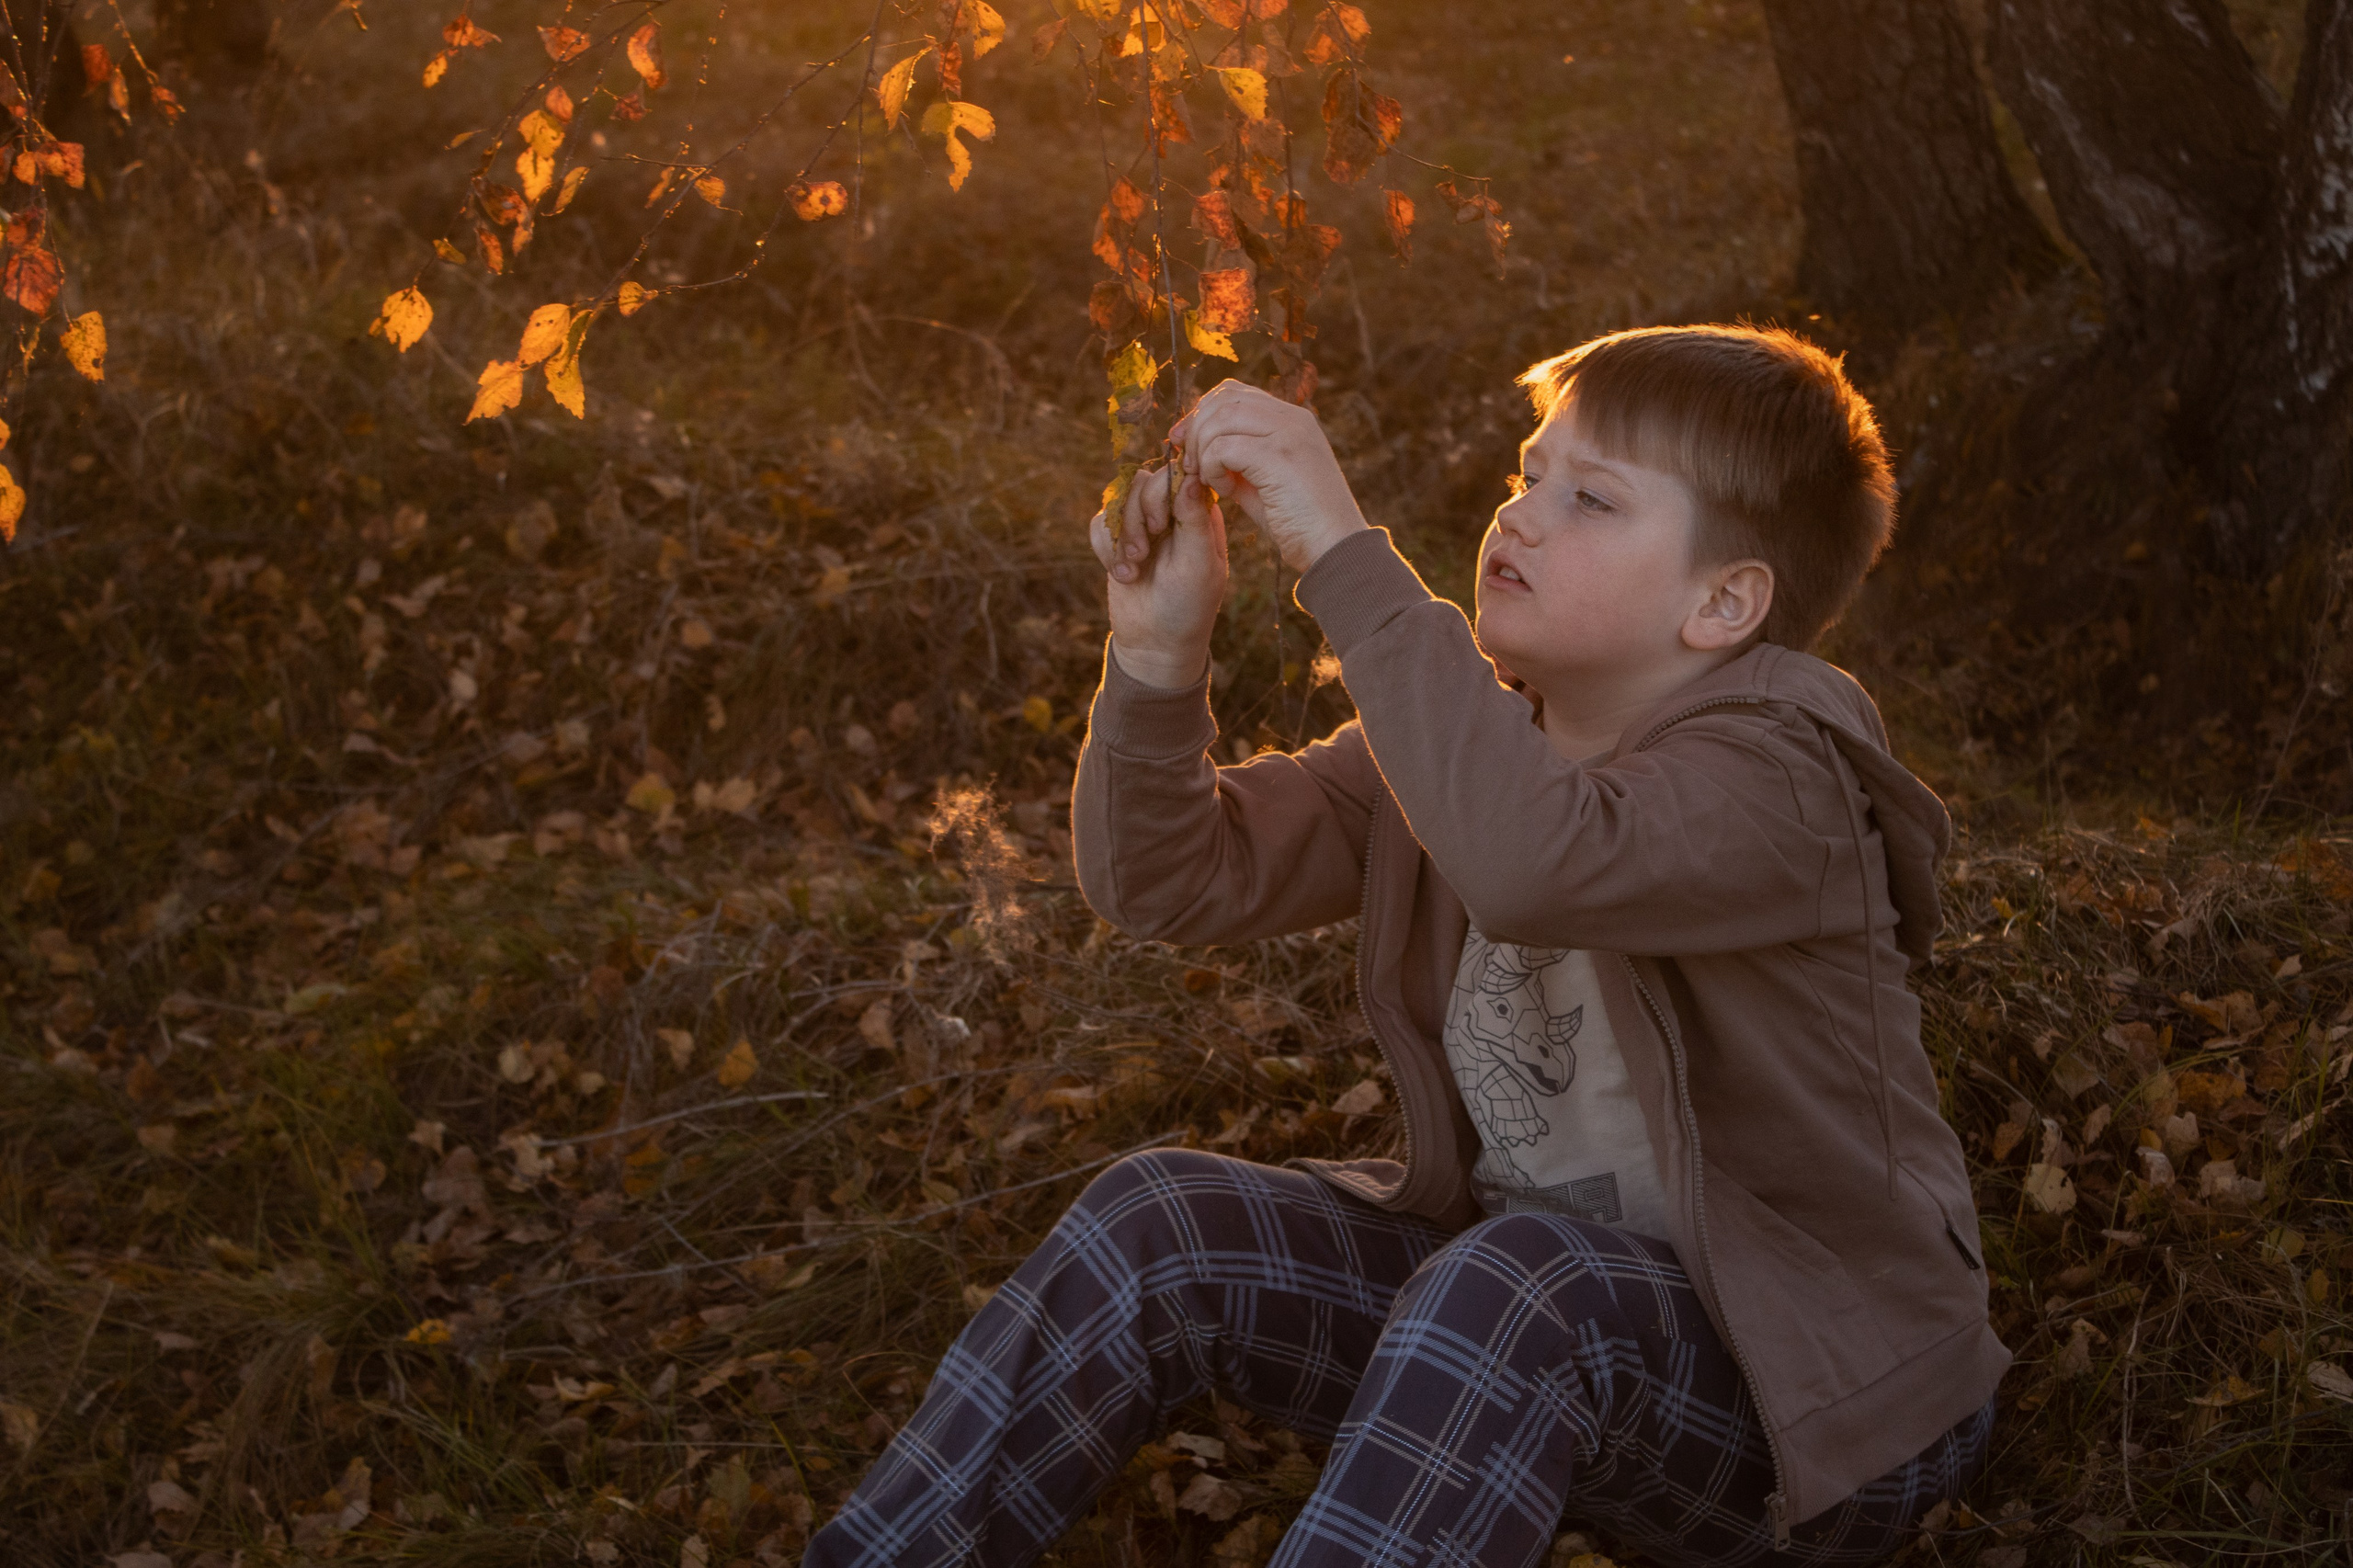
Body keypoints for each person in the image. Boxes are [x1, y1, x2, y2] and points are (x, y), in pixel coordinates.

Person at [802, 324, 2008, 1568]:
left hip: (1820, 1403)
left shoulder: (1785, 771)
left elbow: (1535, 858)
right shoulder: (1468, 748)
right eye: (1528, 475)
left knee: (1518, 1281)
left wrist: (1338, 548)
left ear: (1723, 603)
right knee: (1162, 1215)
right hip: (1516, 1340)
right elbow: (1172, 876)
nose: (1525, 517)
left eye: (1591, 499)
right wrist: (1158, 658)